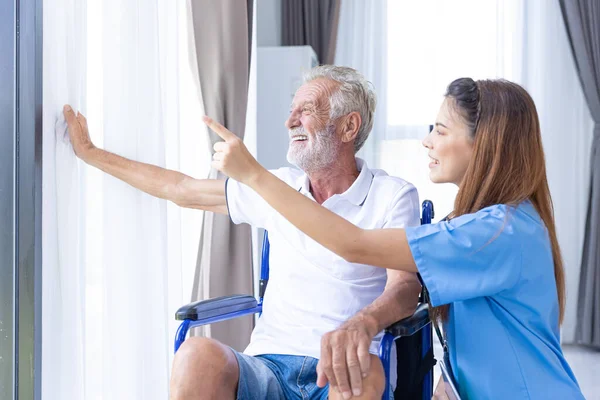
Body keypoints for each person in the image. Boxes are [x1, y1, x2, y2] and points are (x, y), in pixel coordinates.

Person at [206, 77, 585, 399]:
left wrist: (254, 174)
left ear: (483, 143)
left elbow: (354, 244)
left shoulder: (494, 232)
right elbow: (482, 334)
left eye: (440, 129)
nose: (427, 141)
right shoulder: (496, 224)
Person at [63, 65, 423, 400]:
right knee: (196, 354)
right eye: (291, 109)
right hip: (267, 366)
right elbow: (181, 190)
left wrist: (362, 323)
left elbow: (405, 288)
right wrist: (92, 154)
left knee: (359, 376)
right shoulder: (278, 187)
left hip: (345, 363)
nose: (289, 121)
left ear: (349, 127)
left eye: (307, 110)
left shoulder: (392, 195)